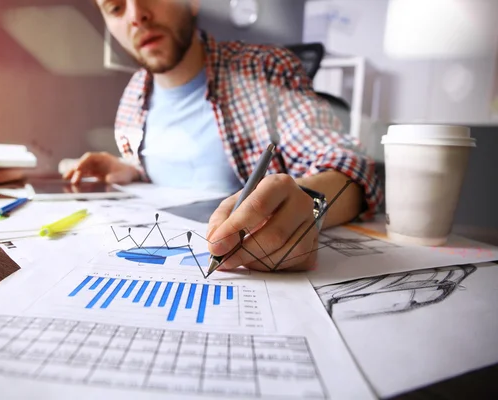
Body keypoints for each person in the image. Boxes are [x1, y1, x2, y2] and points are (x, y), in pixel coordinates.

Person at [64, 0, 383, 272]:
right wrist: (126, 168)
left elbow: (350, 165)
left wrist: (309, 204)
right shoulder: (134, 92)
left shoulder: (265, 69)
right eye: (116, 7)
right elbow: (169, 167)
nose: (135, 15)